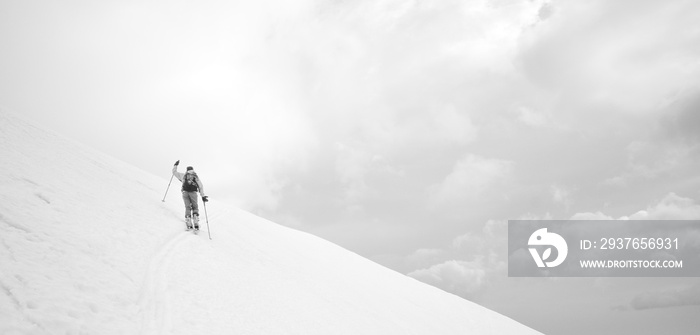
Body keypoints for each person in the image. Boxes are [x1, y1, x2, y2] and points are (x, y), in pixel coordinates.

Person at [172, 160, 208, 230]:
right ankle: (195, 219)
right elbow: (200, 186)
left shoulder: (183, 175)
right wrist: (203, 196)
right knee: (195, 206)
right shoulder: (195, 176)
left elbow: (174, 172)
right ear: (192, 169)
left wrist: (175, 165)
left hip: (185, 192)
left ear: (187, 170)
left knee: (187, 207)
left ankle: (188, 220)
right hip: (193, 193)